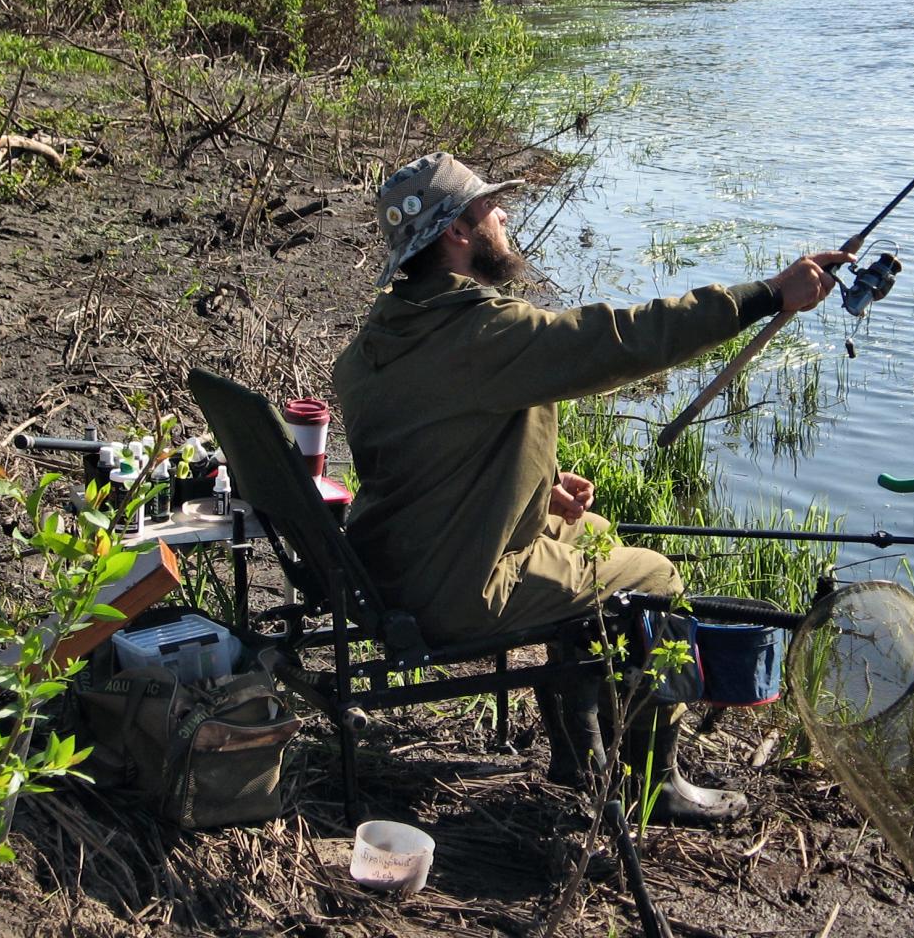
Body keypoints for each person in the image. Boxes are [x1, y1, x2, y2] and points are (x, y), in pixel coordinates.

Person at [333, 151, 849, 824]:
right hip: (458, 587)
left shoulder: (382, 335)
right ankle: (655, 786)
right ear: (457, 232)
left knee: (596, 534)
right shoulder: (483, 332)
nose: (504, 215)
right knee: (656, 578)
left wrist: (535, 488)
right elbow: (626, 339)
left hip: (396, 561)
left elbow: (424, 449)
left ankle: (577, 759)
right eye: (491, 208)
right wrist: (767, 296)